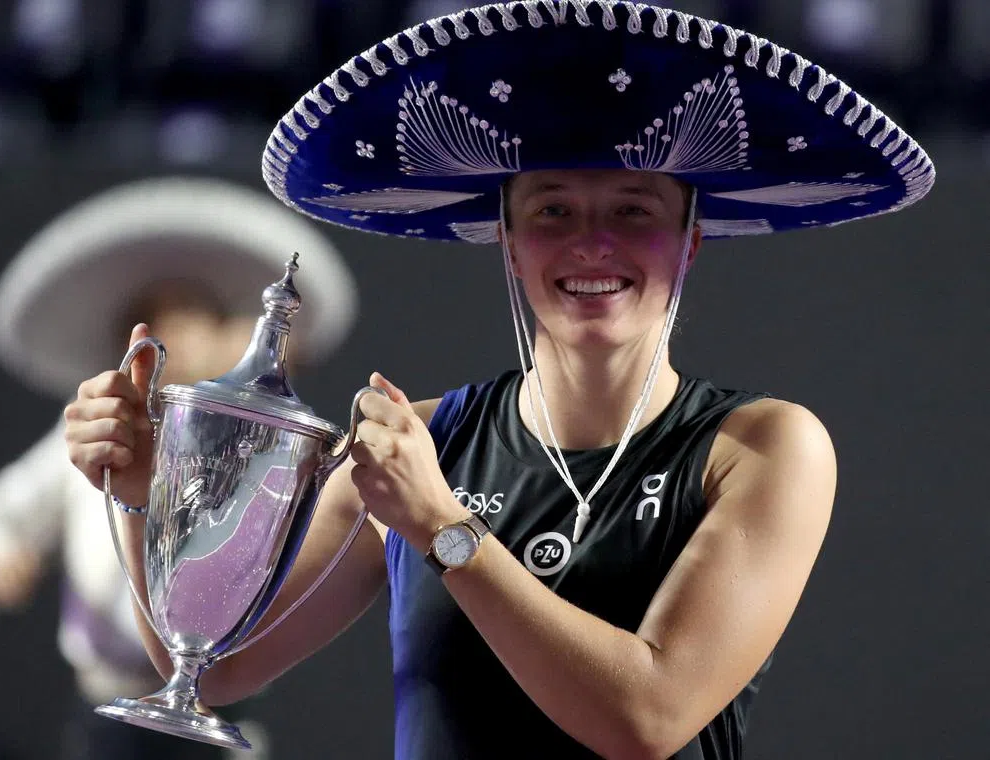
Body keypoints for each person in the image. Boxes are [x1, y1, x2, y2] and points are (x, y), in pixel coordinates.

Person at [64, 3, 935, 758]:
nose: (592, 242)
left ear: (690, 240)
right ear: (510, 244)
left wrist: (444, 529)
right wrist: (147, 496)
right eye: (553, 209)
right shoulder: (424, 444)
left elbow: (648, 717)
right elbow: (213, 669)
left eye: (634, 209)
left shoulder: (764, 447)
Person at [0, 176, 357, 760]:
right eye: (153, 322)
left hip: (222, 717)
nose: (173, 337)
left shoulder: (266, 452)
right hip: (106, 715)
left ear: (228, 335)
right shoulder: (98, 439)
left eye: (189, 318)